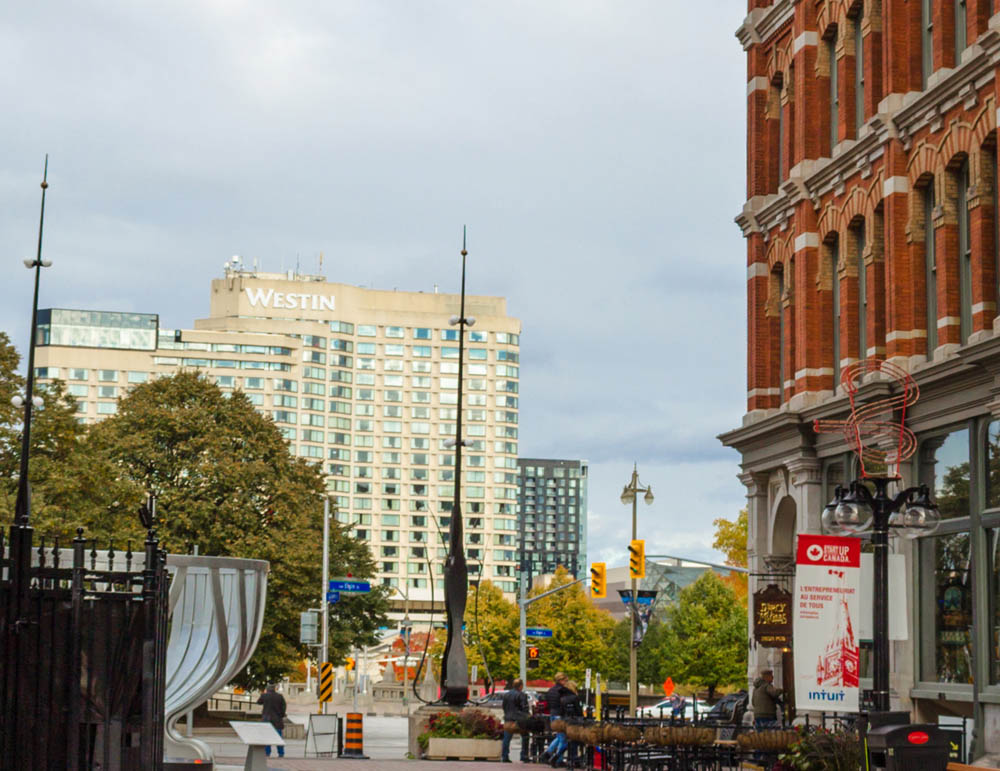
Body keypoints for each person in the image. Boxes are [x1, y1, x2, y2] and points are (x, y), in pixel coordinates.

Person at [539, 673, 570, 765]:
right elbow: (564, 703)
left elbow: (548, 703)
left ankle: (547, 753)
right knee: (562, 739)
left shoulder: (550, 690)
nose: (566, 682)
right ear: (561, 680)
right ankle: (557, 759)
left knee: (559, 737)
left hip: (553, 714)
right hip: (560, 715)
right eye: (565, 680)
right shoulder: (563, 691)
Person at [501, 678, 531, 764]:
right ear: (521, 686)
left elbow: (504, 706)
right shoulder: (522, 695)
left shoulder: (506, 695)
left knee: (506, 739)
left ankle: (505, 756)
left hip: (508, 719)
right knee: (525, 737)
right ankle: (524, 756)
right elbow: (524, 708)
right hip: (518, 720)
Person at [553, 680, 582, 768]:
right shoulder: (574, 697)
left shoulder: (562, 698)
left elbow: (561, 711)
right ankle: (574, 759)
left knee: (566, 742)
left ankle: (557, 757)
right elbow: (578, 711)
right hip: (573, 722)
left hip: (565, 722)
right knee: (574, 742)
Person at [257, 684, 287, 758]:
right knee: (279, 737)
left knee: (267, 736)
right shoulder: (279, 696)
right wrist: (281, 714)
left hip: (266, 719)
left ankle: (267, 753)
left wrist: (263, 694)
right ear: (274, 689)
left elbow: (258, 702)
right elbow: (284, 706)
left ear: (267, 689)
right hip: (277, 719)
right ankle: (281, 753)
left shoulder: (264, 696)